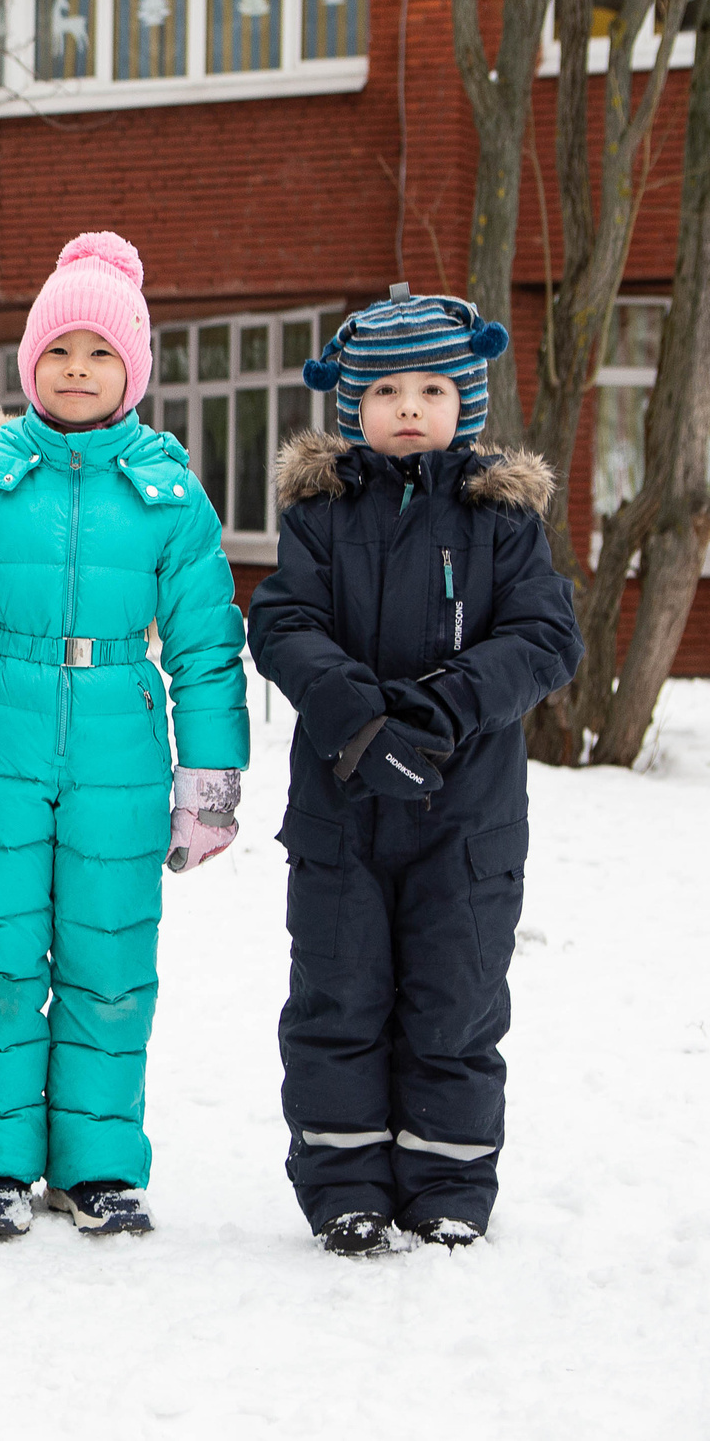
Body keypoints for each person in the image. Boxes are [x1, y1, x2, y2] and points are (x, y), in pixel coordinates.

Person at [0, 231, 248, 1240]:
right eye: (59, 352)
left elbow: (205, 650)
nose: (78, 370)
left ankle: (97, 1163)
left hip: (118, 747)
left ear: (133, 369)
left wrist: (208, 780)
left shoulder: (169, 495)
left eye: (100, 353)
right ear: (28, 364)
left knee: (106, 958)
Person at [248, 287, 581, 1256]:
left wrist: (433, 716)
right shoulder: (319, 513)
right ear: (351, 403)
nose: (407, 406)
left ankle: (445, 1184)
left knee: (454, 1000)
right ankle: (343, 1183)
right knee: (337, 995)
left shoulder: (499, 517)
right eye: (385, 387)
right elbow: (282, 623)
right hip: (339, 814)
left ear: (464, 402)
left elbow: (543, 636)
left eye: (432, 387)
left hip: (466, 820)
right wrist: (358, 718)